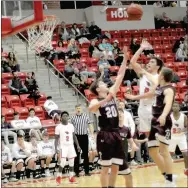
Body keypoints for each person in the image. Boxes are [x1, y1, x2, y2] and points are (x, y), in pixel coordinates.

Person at [88, 46, 128, 188]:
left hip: (116, 133)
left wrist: (125, 59)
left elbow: (121, 75)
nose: (105, 83)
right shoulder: (95, 100)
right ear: (99, 89)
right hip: (105, 134)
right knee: (105, 167)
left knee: (116, 166)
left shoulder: (111, 92)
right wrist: (107, 99)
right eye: (102, 83)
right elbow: (91, 108)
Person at [142, 67, 176, 186]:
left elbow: (168, 103)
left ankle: (170, 180)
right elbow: (148, 75)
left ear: (161, 76)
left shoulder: (168, 90)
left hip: (163, 120)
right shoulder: (158, 87)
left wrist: (163, 115)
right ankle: (167, 175)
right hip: (154, 121)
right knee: (152, 150)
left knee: (164, 151)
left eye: (159, 73)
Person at [126, 41, 164, 137]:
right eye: (149, 61)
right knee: (147, 135)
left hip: (153, 107)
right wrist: (141, 48)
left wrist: (135, 97)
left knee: (157, 135)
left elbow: (151, 94)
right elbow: (132, 62)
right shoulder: (143, 74)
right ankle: (151, 151)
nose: (148, 63)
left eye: (152, 62)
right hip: (142, 107)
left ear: (158, 66)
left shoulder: (159, 78)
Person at [55, 111, 81, 185]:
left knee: (71, 163)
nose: (65, 117)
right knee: (62, 162)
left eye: (66, 116)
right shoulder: (58, 127)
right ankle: (58, 177)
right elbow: (56, 138)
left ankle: (71, 177)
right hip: (63, 146)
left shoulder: (71, 126)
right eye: (64, 116)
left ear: (68, 117)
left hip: (71, 146)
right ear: (61, 117)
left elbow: (74, 136)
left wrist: (78, 145)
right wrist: (56, 148)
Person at [71, 104, 94, 177]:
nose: (78, 109)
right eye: (77, 108)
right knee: (77, 155)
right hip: (77, 137)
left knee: (85, 154)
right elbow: (71, 128)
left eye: (79, 108)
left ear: (81, 109)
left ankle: (87, 171)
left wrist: (92, 133)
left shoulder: (86, 116)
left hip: (84, 136)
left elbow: (90, 125)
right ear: (75, 109)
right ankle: (76, 172)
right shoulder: (73, 117)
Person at [118, 108, 138, 187]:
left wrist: (134, 146)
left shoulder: (126, 129)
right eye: (118, 114)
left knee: (129, 177)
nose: (120, 115)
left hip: (123, 158)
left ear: (124, 115)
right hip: (114, 159)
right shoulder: (113, 129)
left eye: (121, 113)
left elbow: (131, 141)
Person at [169, 101, 188, 176]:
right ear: (171, 108)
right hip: (172, 137)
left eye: (176, 106)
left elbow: (186, 127)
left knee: (186, 155)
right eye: (173, 106)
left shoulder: (184, 116)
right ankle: (169, 172)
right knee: (169, 156)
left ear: (179, 107)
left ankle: (186, 169)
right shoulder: (169, 116)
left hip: (181, 137)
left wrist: (182, 130)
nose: (175, 107)